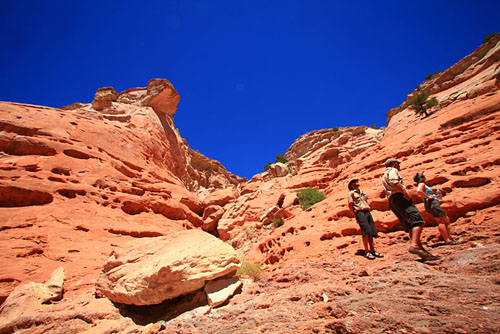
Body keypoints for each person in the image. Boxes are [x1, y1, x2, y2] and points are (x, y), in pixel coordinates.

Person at [382, 158, 440, 261]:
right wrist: (405, 192)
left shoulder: (384, 174)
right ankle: (414, 246)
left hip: (392, 200)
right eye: (398, 164)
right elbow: (395, 182)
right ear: (394, 164)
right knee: (418, 222)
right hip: (399, 197)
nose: (399, 166)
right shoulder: (392, 170)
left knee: (411, 226)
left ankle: (423, 252)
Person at [414, 172, 456, 245]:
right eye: (423, 176)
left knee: (445, 219)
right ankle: (447, 239)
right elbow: (419, 191)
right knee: (441, 220)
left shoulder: (423, 185)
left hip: (432, 203)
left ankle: (448, 237)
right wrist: (428, 197)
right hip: (431, 203)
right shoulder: (422, 184)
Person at [347, 179, 383, 260]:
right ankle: (366, 251)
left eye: (357, 182)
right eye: (354, 183)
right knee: (365, 231)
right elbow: (350, 205)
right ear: (351, 185)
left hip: (367, 211)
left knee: (371, 231)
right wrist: (355, 216)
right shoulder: (351, 193)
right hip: (360, 212)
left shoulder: (362, 193)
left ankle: (372, 250)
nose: (356, 184)